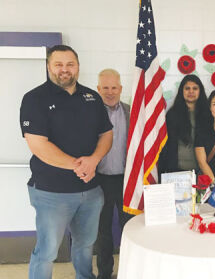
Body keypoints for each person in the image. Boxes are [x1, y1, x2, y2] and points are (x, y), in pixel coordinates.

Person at [19, 45, 113, 279]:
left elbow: (106, 134)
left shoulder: (91, 97)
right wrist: (81, 165)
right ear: (49, 66)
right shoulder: (34, 99)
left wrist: (94, 160)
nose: (65, 69)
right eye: (58, 64)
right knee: (47, 252)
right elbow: (38, 145)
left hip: (90, 191)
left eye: (70, 64)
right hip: (52, 193)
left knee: (84, 247)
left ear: (78, 66)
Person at [95, 69, 131, 279]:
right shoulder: (90, 113)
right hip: (99, 180)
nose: (110, 92)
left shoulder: (130, 112)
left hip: (126, 180)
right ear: (98, 89)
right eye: (105, 88)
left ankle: (128, 271)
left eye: (114, 87)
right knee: (103, 231)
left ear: (120, 89)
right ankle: (105, 273)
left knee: (130, 229)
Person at [158, 74, 209, 174]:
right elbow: (166, 147)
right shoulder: (172, 115)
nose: (191, 91)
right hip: (176, 172)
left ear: (200, 91)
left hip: (202, 172)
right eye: (187, 88)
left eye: (195, 88)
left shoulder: (208, 115)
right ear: (182, 91)